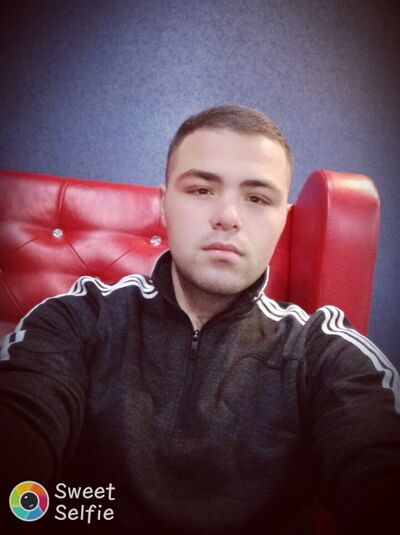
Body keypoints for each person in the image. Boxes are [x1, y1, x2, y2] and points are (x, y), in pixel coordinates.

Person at [0, 105, 399, 535]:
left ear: (282, 220)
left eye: (257, 198)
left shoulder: (322, 349)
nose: (228, 216)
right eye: (202, 189)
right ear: (164, 204)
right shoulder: (77, 318)